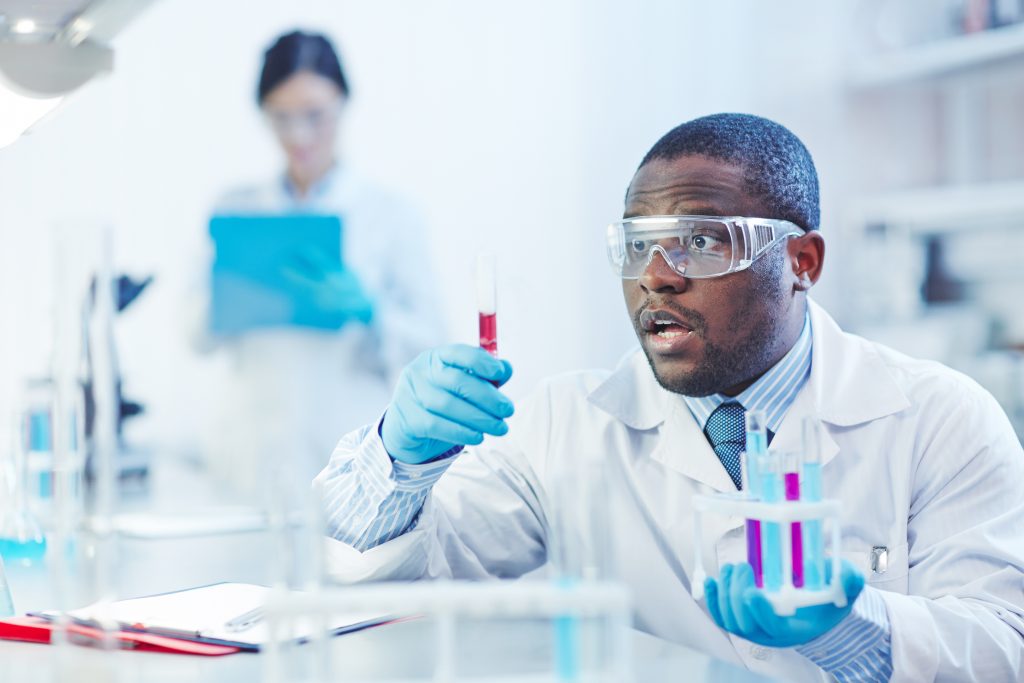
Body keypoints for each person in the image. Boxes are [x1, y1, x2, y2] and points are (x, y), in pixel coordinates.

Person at [314, 114, 1024, 681]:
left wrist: (849, 627)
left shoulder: (939, 417)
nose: (656, 276)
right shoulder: (567, 424)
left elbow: (1005, 647)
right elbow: (383, 586)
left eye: (700, 243)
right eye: (636, 245)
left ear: (801, 262)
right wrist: (399, 459)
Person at [196, 30, 442, 491]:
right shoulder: (237, 210)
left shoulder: (390, 215)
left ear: (342, 104)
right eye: (281, 118)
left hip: (352, 453)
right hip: (254, 456)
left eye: (315, 116)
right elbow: (194, 337)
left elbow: (430, 345)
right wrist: (228, 290)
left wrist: (370, 311)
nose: (298, 135)